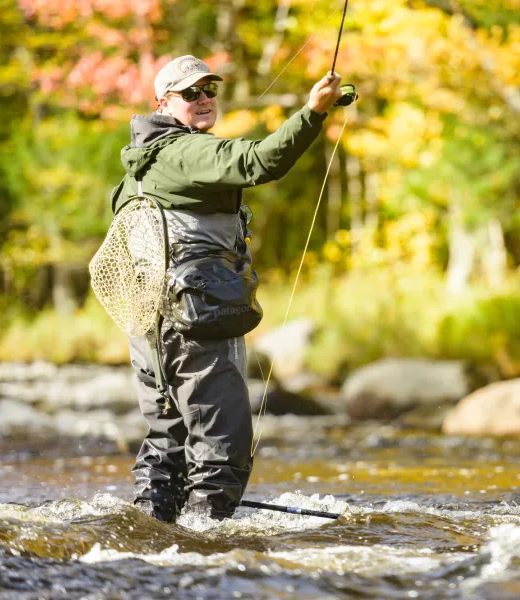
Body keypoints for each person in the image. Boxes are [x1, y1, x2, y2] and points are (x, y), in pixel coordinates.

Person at [109, 55, 343, 522]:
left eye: (209, 90)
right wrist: (313, 113)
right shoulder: (183, 152)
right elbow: (260, 162)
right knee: (221, 444)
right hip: (194, 320)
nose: (203, 100)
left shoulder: (141, 164)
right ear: (163, 102)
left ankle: (149, 538)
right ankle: (206, 551)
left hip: (150, 327)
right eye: (190, 93)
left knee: (167, 443)